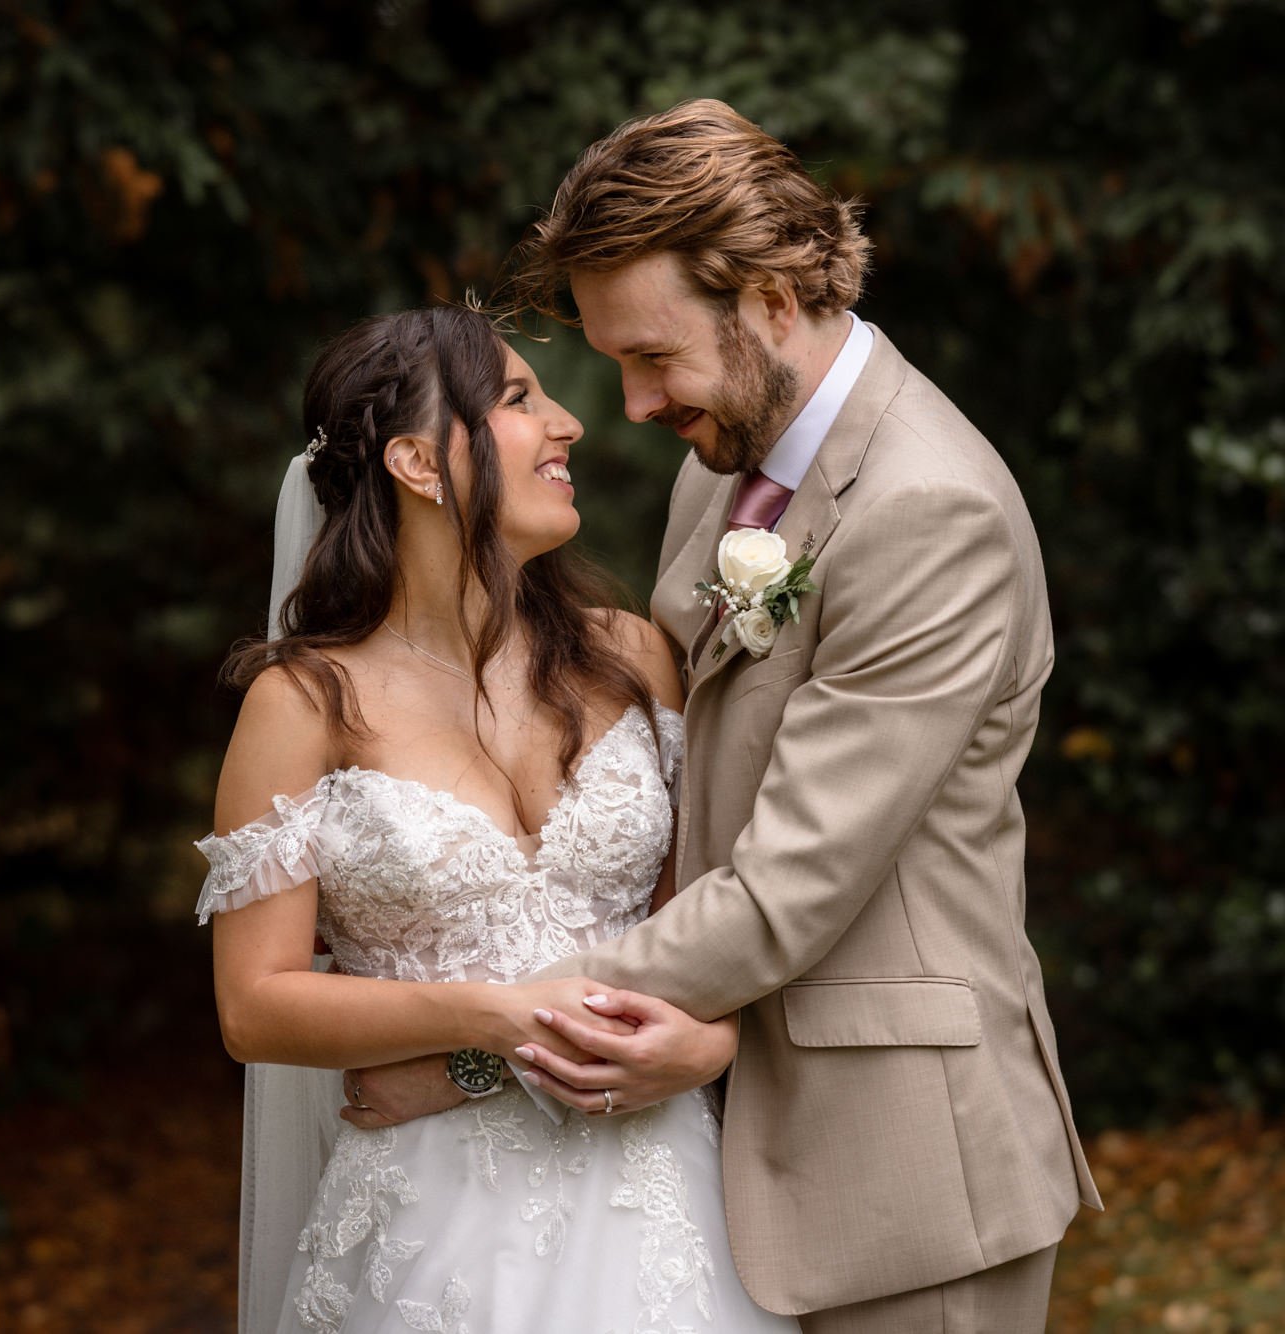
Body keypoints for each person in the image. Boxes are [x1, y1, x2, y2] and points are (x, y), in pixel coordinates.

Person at [351, 101, 1104, 1332]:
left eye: (652, 357)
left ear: (766, 298)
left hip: (900, 1172)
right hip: (707, 1138)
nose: (634, 405)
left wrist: (471, 1054)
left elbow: (780, 890)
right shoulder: (729, 468)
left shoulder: (927, 510)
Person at [195, 303, 799, 1334]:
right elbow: (255, 1006)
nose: (569, 423)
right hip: (428, 1228)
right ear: (419, 464)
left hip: (659, 1198)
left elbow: (697, 932)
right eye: (519, 400)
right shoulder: (301, 704)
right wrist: (494, 1022)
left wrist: (707, 1045)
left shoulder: (631, 653)